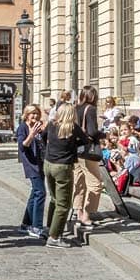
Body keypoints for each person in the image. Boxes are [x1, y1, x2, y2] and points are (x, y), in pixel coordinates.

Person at [43, 103, 90, 248]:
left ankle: (49, 228)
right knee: (63, 204)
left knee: (54, 199)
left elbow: (44, 138)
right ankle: (54, 236)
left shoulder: (51, 124)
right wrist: (71, 146)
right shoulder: (73, 128)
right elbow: (85, 140)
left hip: (48, 163)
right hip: (63, 166)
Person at [72, 86, 105, 227]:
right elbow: (91, 131)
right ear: (93, 96)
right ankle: (87, 214)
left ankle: (78, 212)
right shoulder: (90, 109)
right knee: (95, 184)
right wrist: (104, 135)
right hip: (88, 150)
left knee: (79, 183)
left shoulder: (75, 108)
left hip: (75, 149)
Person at [19, 104, 48, 238]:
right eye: (32, 113)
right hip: (31, 164)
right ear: (26, 115)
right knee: (40, 192)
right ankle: (36, 226)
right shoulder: (23, 127)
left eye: (37, 113)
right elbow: (23, 145)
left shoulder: (39, 127)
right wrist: (31, 134)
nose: (35, 116)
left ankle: (26, 224)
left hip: (41, 163)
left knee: (34, 193)